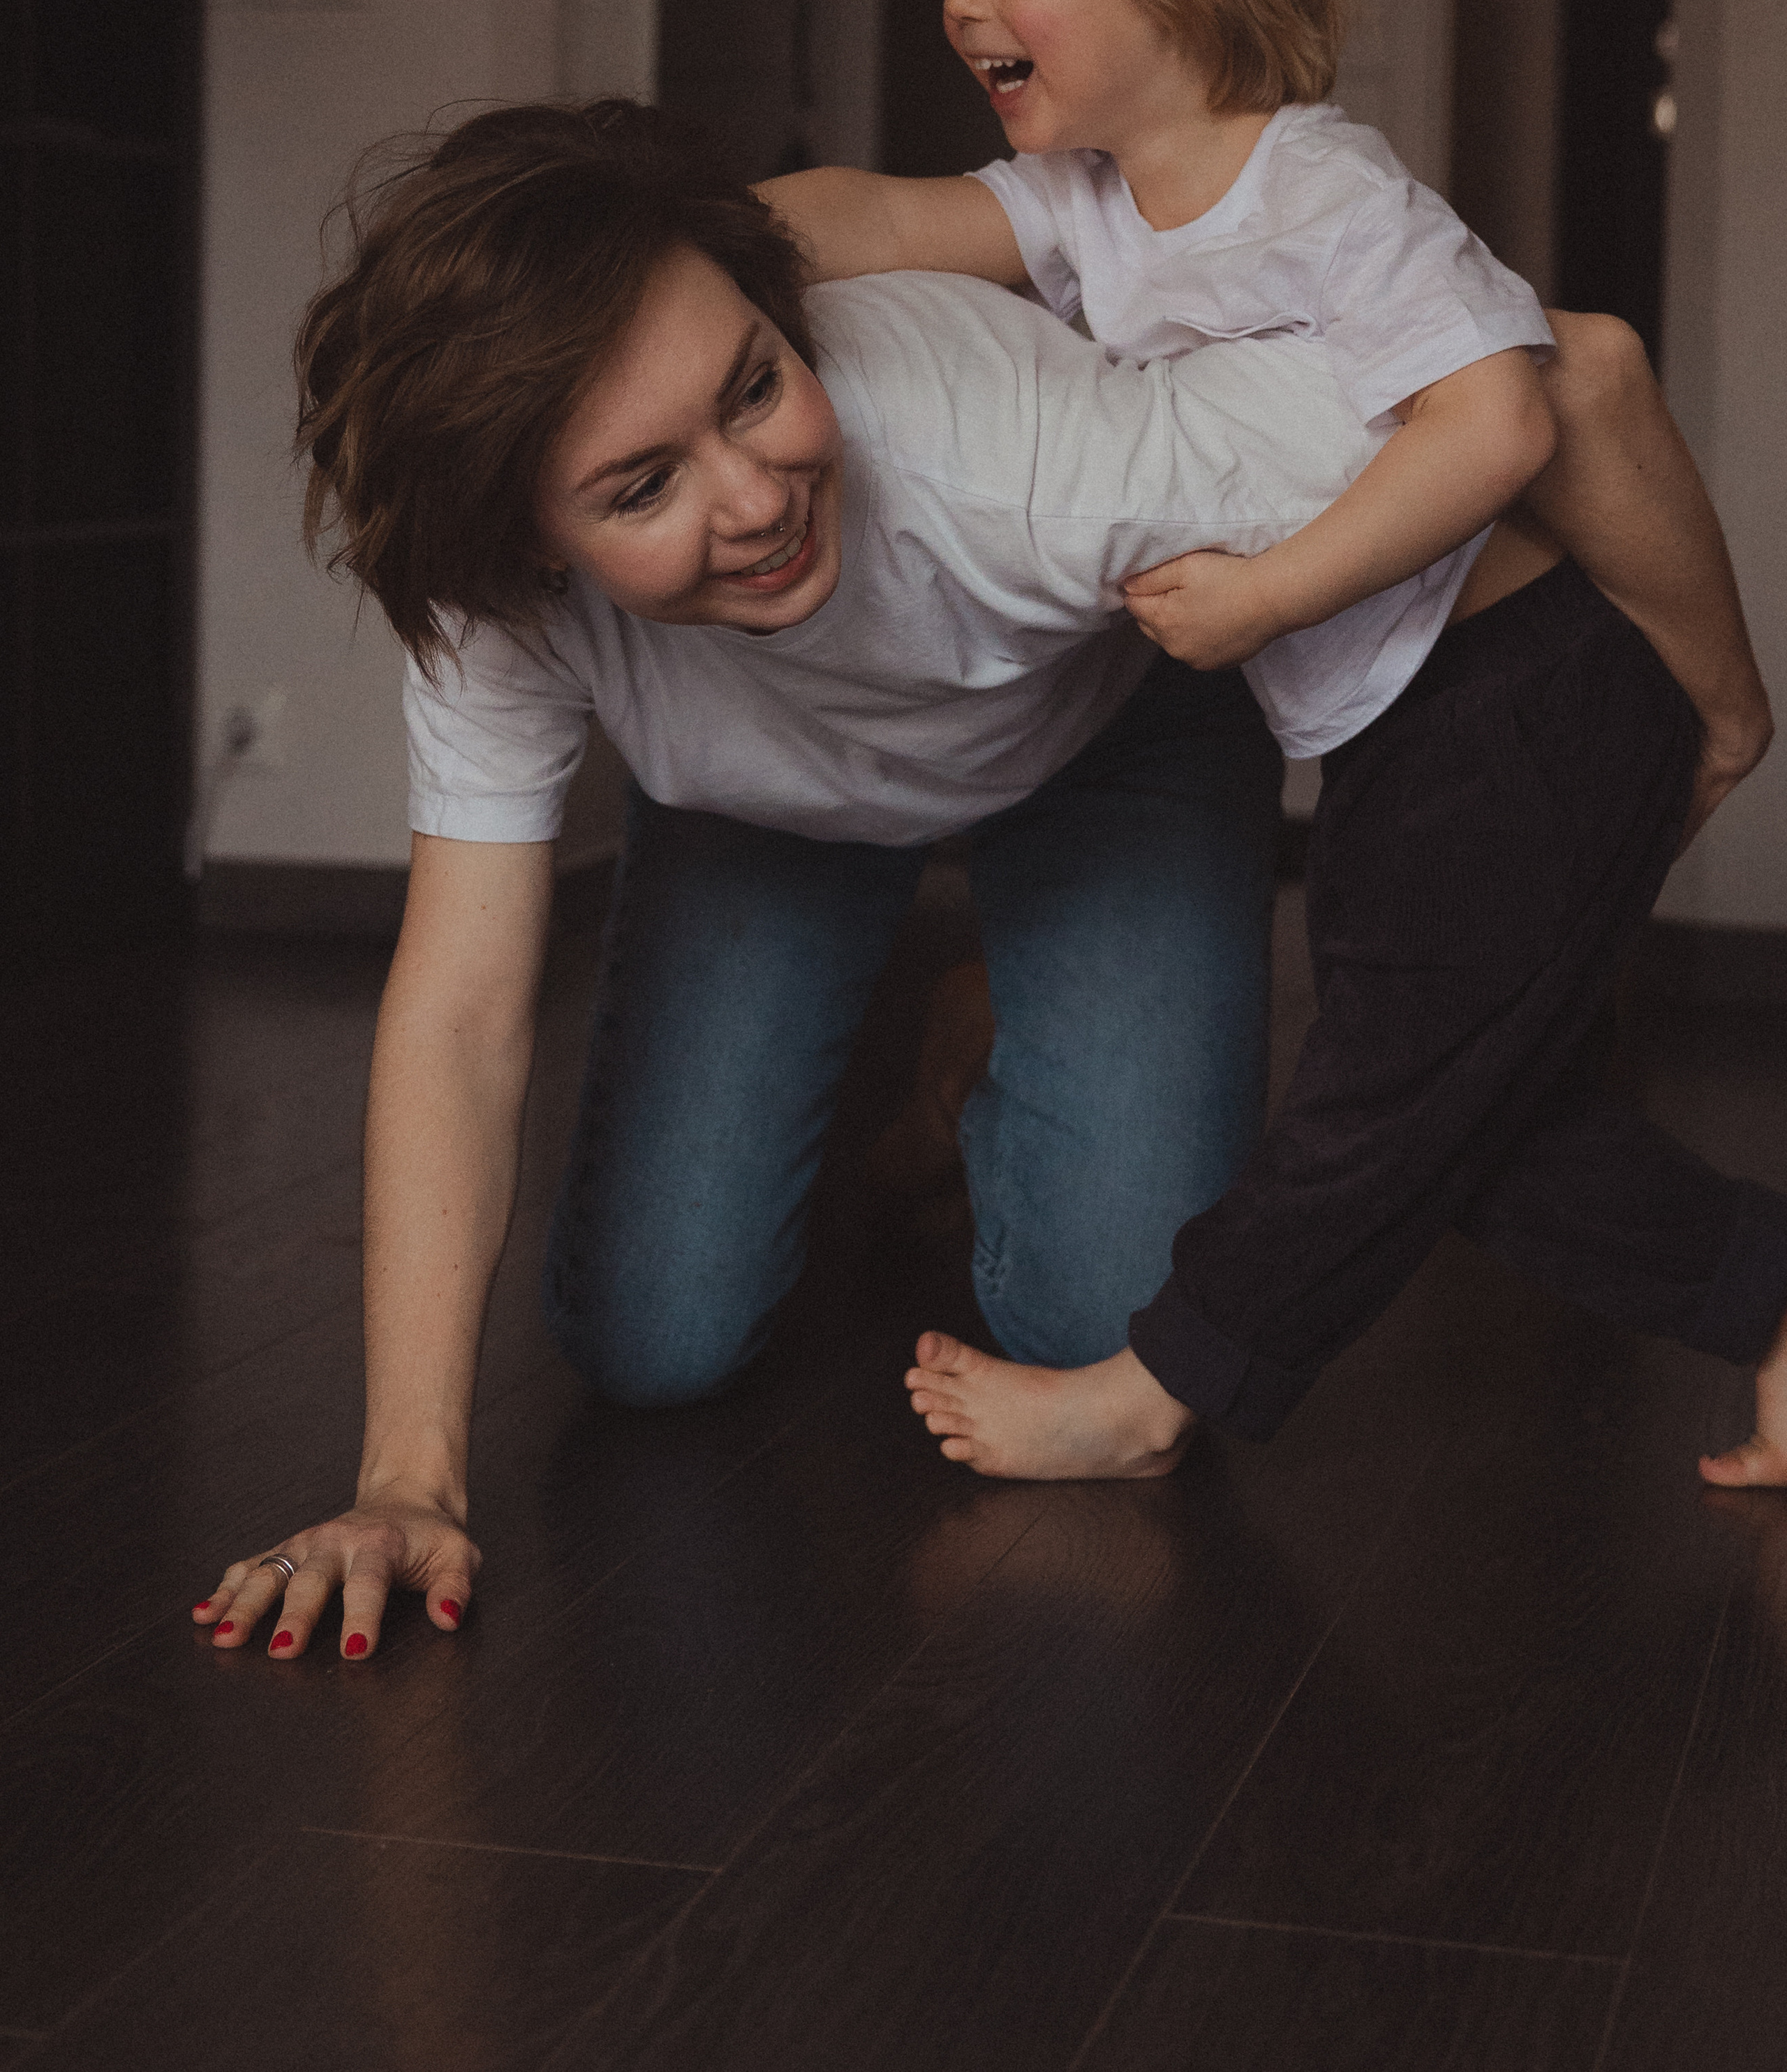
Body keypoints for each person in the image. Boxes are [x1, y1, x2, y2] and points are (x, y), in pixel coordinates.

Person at [192, 96, 1747, 1664]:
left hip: (1105, 747)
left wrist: (1726, 714)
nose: (753, 497)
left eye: (753, 386)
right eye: (639, 489)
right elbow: (460, 1001)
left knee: (1105, 1337)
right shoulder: (492, 613)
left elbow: (1579, 373)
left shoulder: (1033, 458)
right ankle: (951, 1017)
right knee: (650, 1341)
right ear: (523, 549)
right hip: (770, 812)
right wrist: (405, 1476)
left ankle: (989, 1004)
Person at [748, 0, 1777, 1484]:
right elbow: (880, 217)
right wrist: (666, 229)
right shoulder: (1090, 207)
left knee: (1378, 1103)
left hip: (1513, 702)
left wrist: (1261, 600)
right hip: (1409, 731)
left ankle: (1150, 1393)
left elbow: (1504, 412)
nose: (959, 0)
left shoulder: (1321, 189)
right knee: (1480, 1133)